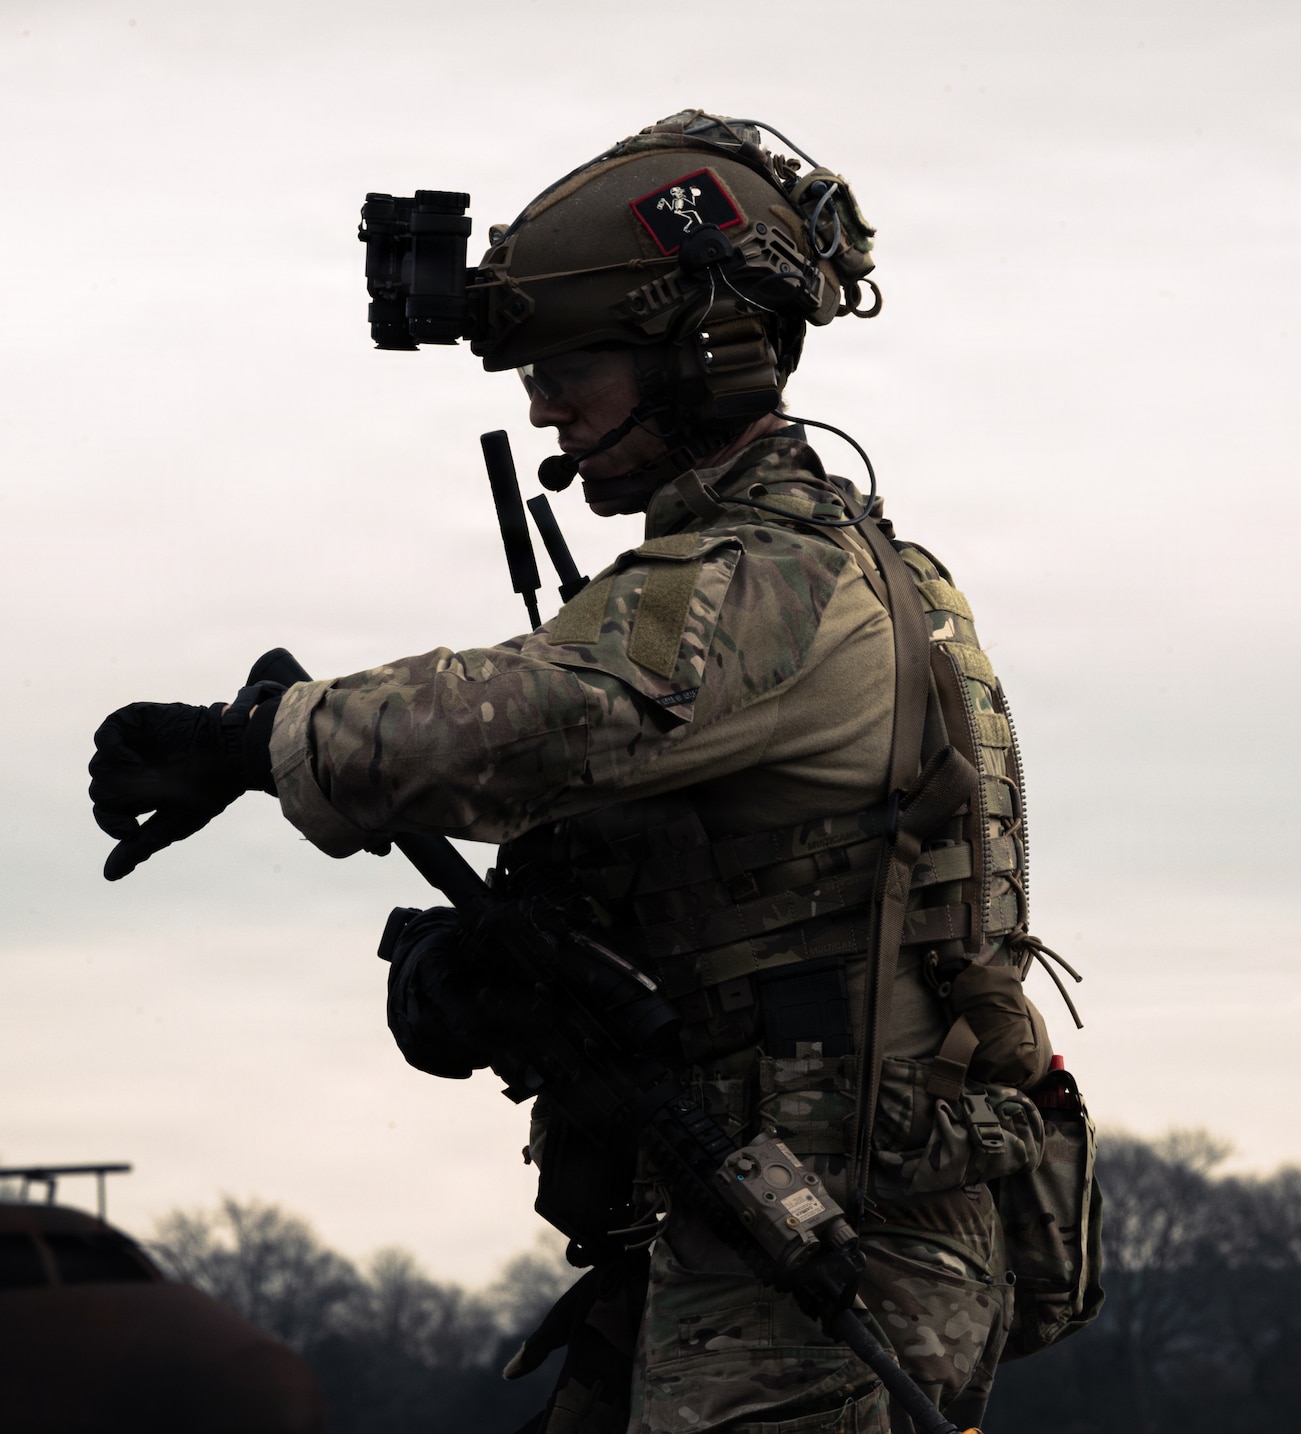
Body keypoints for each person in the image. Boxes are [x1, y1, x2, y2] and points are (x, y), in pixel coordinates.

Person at [89, 111, 1098, 1434]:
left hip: (825, 1263)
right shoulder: (855, 569)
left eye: (571, 367)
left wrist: (266, 739)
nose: (544, 406)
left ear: (705, 351)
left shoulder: (777, 583)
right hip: (787, 1226)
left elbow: (544, 714)